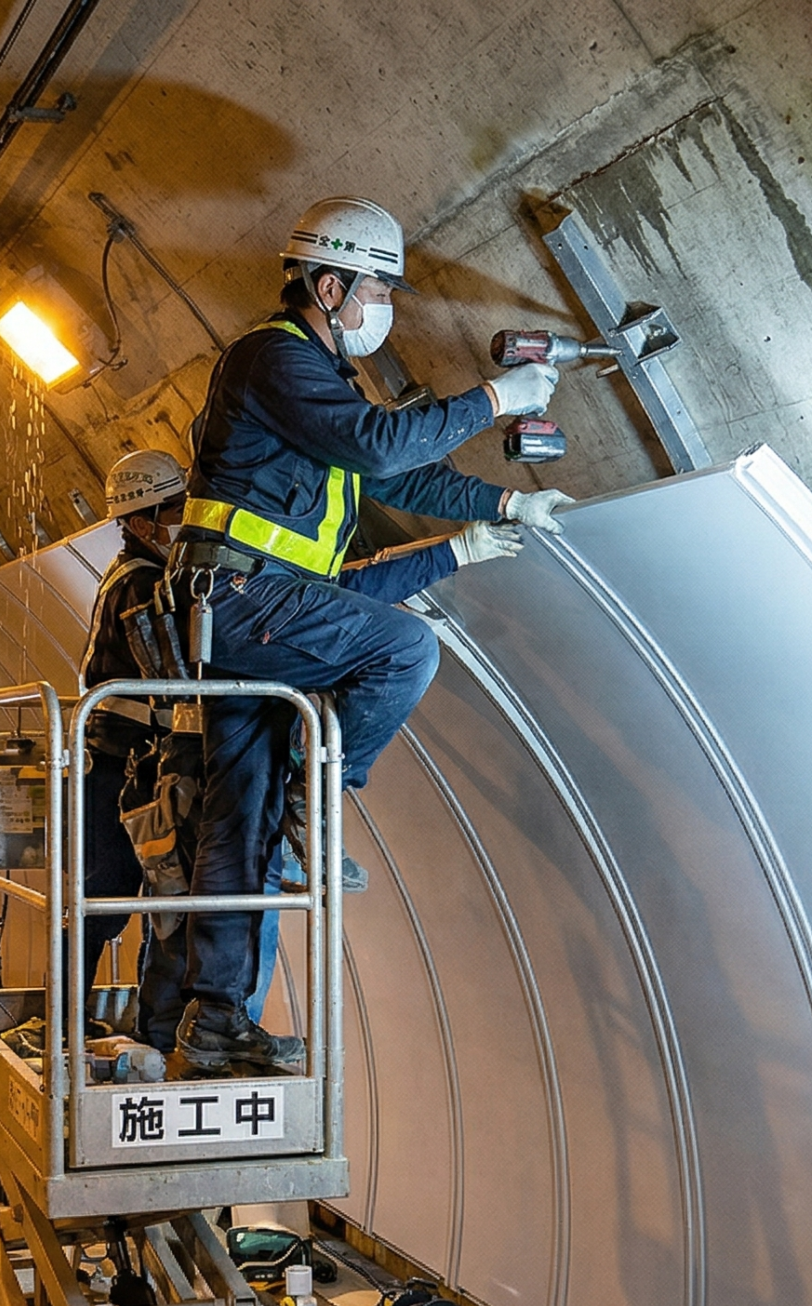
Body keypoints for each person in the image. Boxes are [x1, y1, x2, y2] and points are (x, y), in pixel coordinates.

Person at [168, 196, 573, 1078]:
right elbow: (382, 448)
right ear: (328, 284)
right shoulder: (271, 358)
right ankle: (318, 811)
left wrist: (507, 502)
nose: (382, 306)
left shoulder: (319, 383)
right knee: (402, 648)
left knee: (242, 827)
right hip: (238, 598)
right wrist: (493, 397)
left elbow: (400, 466)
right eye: (377, 289)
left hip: (247, 611)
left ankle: (215, 1026)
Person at [79, 448, 194, 1051]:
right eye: (174, 510)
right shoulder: (142, 585)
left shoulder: (135, 574)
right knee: (111, 894)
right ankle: (83, 1021)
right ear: (142, 520)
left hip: (122, 764)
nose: (183, 519)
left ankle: (149, 1025)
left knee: (139, 893)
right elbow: (175, 672)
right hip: (120, 768)